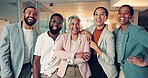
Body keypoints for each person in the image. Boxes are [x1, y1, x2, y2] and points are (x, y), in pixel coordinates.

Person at [0, 6, 38, 78]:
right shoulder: (9, 29)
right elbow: (3, 54)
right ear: (23, 14)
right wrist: (7, 73)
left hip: (29, 70)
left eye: (35, 14)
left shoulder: (37, 33)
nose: (32, 15)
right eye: (29, 13)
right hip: (13, 70)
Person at [82, 7, 117, 78]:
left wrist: (96, 48)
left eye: (102, 14)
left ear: (106, 17)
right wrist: (86, 32)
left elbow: (111, 60)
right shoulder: (92, 27)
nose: (98, 17)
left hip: (103, 67)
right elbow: (80, 32)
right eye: (96, 14)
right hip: (90, 62)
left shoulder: (109, 36)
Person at [113, 4, 148, 78]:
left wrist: (145, 62)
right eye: (120, 13)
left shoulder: (137, 30)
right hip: (120, 70)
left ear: (131, 16)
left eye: (126, 13)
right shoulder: (115, 32)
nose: (122, 15)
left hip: (135, 71)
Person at [33, 13, 64, 78]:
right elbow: (36, 60)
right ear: (49, 22)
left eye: (59, 22)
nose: (56, 24)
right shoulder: (41, 38)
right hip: (42, 73)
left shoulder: (64, 38)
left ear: (61, 25)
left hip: (56, 73)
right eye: (53, 21)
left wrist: (85, 32)